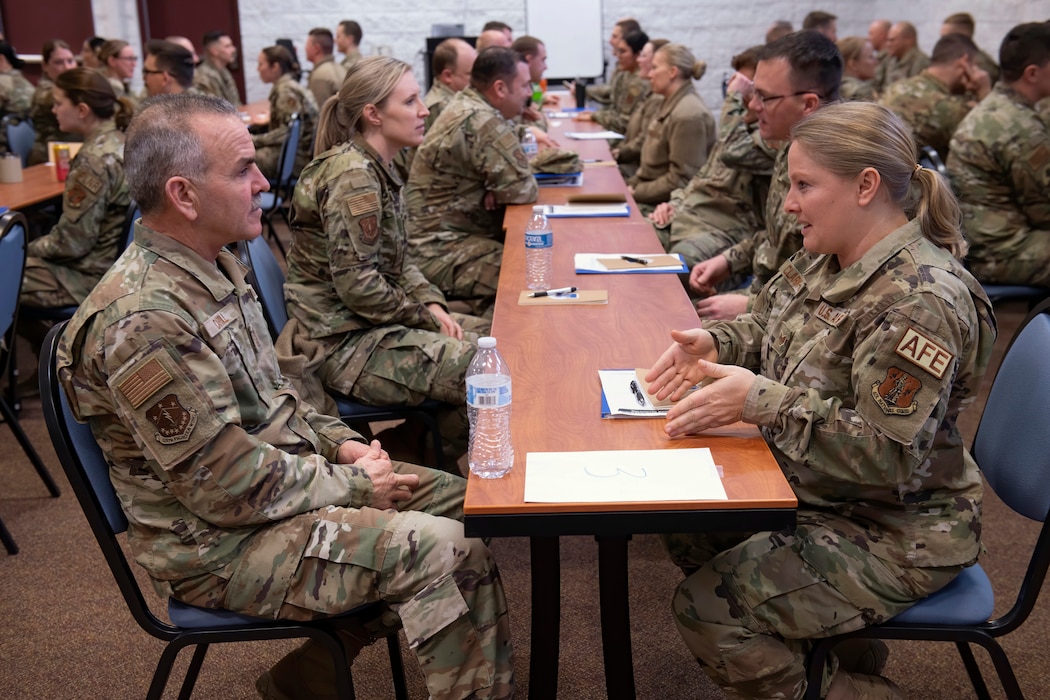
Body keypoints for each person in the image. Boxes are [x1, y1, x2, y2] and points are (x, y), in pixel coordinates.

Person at [55, 92, 514, 700]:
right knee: (446, 549)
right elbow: (224, 487)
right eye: (242, 168)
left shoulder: (216, 264)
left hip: (274, 492)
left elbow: (279, 401)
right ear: (183, 195)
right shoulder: (144, 319)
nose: (263, 181)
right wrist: (357, 486)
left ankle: (311, 675)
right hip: (217, 545)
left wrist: (347, 447)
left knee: (469, 502)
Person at [647, 101, 995, 700]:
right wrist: (714, 339)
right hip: (829, 490)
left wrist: (760, 401)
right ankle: (843, 650)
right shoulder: (830, 252)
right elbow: (768, 322)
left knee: (711, 608)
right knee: (689, 527)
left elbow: (888, 456)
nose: (788, 203)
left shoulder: (918, 300)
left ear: (866, 186)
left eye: (804, 185)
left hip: (896, 524)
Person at [280, 56, 490, 466]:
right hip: (342, 341)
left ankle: (414, 447)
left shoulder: (375, 164)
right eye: (410, 101)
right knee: (487, 366)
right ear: (373, 114)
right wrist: (427, 320)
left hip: (368, 324)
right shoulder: (353, 176)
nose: (424, 109)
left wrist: (432, 305)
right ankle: (423, 464)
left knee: (505, 341)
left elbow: (400, 261)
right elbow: (359, 286)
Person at [691, 30, 841, 321]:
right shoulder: (790, 146)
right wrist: (728, 260)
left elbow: (831, 291)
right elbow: (777, 236)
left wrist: (751, 305)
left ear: (808, 104)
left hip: (785, 318)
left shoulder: (840, 169)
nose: (751, 105)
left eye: (764, 97)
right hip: (768, 302)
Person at [405, 46, 538, 316]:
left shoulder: (469, 103)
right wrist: (495, 184)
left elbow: (510, 181)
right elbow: (523, 190)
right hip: (437, 248)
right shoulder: (481, 119)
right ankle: (507, 346)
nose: (529, 93)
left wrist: (493, 183)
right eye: (524, 85)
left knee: (523, 272)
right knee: (529, 270)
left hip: (440, 239)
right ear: (500, 89)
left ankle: (498, 340)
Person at [653, 47, 775, 290]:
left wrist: (733, 99)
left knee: (680, 265)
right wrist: (673, 204)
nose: (746, 96)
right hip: (689, 217)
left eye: (752, 90)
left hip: (725, 232)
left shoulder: (771, 137)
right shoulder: (737, 129)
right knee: (631, 242)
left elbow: (734, 151)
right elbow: (701, 178)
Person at [947, 21, 1050, 287]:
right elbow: (1043, 210)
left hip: (980, 243)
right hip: (1003, 252)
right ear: (1032, 73)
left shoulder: (997, 108)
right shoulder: (1020, 126)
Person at [20, 69, 131, 312]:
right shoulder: (124, 141)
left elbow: (71, 245)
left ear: (82, 110)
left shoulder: (93, 160)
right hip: (121, 265)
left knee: (6, 273)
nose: (53, 110)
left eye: (59, 104)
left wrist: (23, 248)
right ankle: (49, 343)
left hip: (88, 276)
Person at [627, 43, 715, 213]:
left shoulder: (688, 115)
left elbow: (682, 179)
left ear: (672, 72)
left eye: (654, 68)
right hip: (650, 195)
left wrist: (636, 192)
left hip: (664, 206)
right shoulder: (668, 102)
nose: (649, 74)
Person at [880, 33, 990, 162]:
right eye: (975, 66)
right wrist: (984, 91)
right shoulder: (945, 107)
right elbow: (989, 135)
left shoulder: (897, 87)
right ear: (964, 62)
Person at [392, 37, 476, 181]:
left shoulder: (456, 100)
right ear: (448, 75)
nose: (476, 79)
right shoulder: (441, 107)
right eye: (470, 74)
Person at [253, 45, 319, 181]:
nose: (258, 69)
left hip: (297, 158)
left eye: (261, 64)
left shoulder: (285, 91)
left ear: (275, 67)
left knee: (243, 160)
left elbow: (286, 133)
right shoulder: (291, 85)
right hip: (302, 153)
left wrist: (255, 140)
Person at [576, 28, 651, 135]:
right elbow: (615, 109)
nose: (617, 55)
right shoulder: (624, 74)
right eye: (618, 51)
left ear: (637, 54)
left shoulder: (638, 82)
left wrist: (596, 116)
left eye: (623, 52)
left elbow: (624, 123)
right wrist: (597, 114)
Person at [615, 38, 668, 179]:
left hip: (639, 172)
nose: (639, 60)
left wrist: (619, 153)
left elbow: (644, 139)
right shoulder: (652, 94)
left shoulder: (658, 98)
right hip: (636, 168)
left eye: (644, 56)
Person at [28, 41, 79, 165]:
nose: (67, 67)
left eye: (70, 61)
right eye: (59, 62)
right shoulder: (45, 93)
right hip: (48, 156)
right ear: (45, 66)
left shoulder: (73, 87)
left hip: (73, 150)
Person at [941, 12, 999, 83]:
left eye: (946, 38)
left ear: (963, 36)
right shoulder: (951, 61)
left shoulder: (982, 67)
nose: (941, 43)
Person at [874, 22, 929, 93]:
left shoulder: (921, 62)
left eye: (892, 40)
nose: (888, 44)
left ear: (909, 40)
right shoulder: (888, 60)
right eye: (887, 40)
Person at [193, 30, 240, 105]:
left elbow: (236, 103)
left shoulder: (224, 71)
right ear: (214, 51)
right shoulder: (201, 76)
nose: (233, 49)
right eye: (227, 46)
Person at [305, 27, 347, 107]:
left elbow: (320, 113)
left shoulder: (319, 76)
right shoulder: (342, 69)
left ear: (316, 49)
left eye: (307, 45)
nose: (305, 49)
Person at [836, 36, 878, 102]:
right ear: (853, 64)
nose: (876, 62)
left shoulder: (832, 87)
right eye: (871, 57)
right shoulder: (862, 92)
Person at [97, 39, 137, 104]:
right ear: (112, 61)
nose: (134, 64)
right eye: (129, 59)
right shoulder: (110, 92)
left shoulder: (123, 88)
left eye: (134, 58)